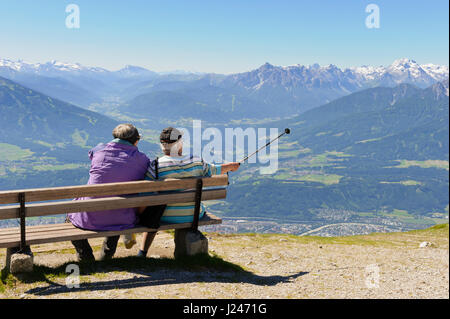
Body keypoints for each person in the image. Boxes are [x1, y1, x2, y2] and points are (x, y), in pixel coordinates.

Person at [137, 127, 240, 257]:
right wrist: (231, 166)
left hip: (164, 216)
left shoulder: (156, 166)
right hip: (194, 214)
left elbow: (144, 191)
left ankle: (142, 252)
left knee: (154, 210)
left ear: (162, 145)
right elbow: (213, 170)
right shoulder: (196, 161)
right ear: (180, 144)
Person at [67, 124, 150, 262]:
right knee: (116, 209)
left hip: (88, 218)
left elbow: (92, 155)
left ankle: (85, 255)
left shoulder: (99, 150)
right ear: (136, 140)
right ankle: (106, 257)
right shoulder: (142, 159)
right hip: (122, 218)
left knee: (70, 215)